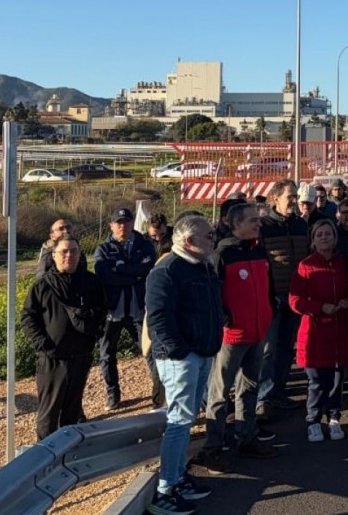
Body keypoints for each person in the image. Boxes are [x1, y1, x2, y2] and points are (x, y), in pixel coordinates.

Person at [145, 215, 224, 515]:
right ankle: (166, 489)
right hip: (182, 358)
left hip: (202, 353)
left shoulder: (202, 266)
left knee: (187, 420)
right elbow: (158, 319)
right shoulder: (166, 272)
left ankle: (178, 477)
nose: (212, 239)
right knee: (178, 422)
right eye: (208, 236)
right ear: (189, 241)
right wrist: (180, 353)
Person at [199, 203, 278, 471]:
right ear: (235, 224)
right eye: (252, 220)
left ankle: (246, 437)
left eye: (258, 220)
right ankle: (213, 446)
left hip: (257, 331)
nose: (258, 224)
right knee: (221, 392)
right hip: (232, 336)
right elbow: (212, 293)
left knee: (250, 387)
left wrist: (270, 309)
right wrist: (225, 317)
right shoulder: (223, 254)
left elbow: (269, 287)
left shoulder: (259, 250)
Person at [22, 235, 105, 439]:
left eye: (74, 251)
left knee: (73, 411)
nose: (69, 255)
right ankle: (45, 459)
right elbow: (28, 317)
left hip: (81, 357)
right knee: (48, 415)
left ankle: (68, 456)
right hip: (52, 359)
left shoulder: (91, 283)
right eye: (64, 251)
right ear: (54, 255)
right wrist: (43, 344)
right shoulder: (42, 286)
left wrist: (93, 333)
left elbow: (102, 311)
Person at [290, 219, 348, 442]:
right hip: (316, 332)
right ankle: (313, 419)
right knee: (317, 380)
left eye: (328, 234)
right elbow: (295, 300)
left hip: (341, 329)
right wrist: (319, 307)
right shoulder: (305, 265)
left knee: (338, 378)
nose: (324, 238)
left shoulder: (345, 262)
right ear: (313, 239)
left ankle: (335, 416)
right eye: (319, 234)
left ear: (335, 237)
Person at [94, 208, 157, 410]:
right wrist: (133, 274)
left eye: (127, 222)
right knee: (106, 354)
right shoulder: (103, 249)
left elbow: (148, 270)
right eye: (118, 222)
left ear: (132, 224)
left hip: (138, 308)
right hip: (113, 311)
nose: (123, 226)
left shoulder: (145, 245)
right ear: (111, 225)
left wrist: (120, 268)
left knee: (150, 351)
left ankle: (159, 393)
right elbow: (104, 276)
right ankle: (112, 394)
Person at [258, 180, 311, 414]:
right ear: (275, 198)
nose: (294, 200)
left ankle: (278, 392)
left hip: (296, 296)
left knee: (287, 348)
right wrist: (268, 293)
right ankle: (263, 398)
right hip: (273, 297)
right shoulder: (263, 226)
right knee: (268, 350)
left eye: (295, 196)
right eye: (290, 196)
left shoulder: (301, 225)